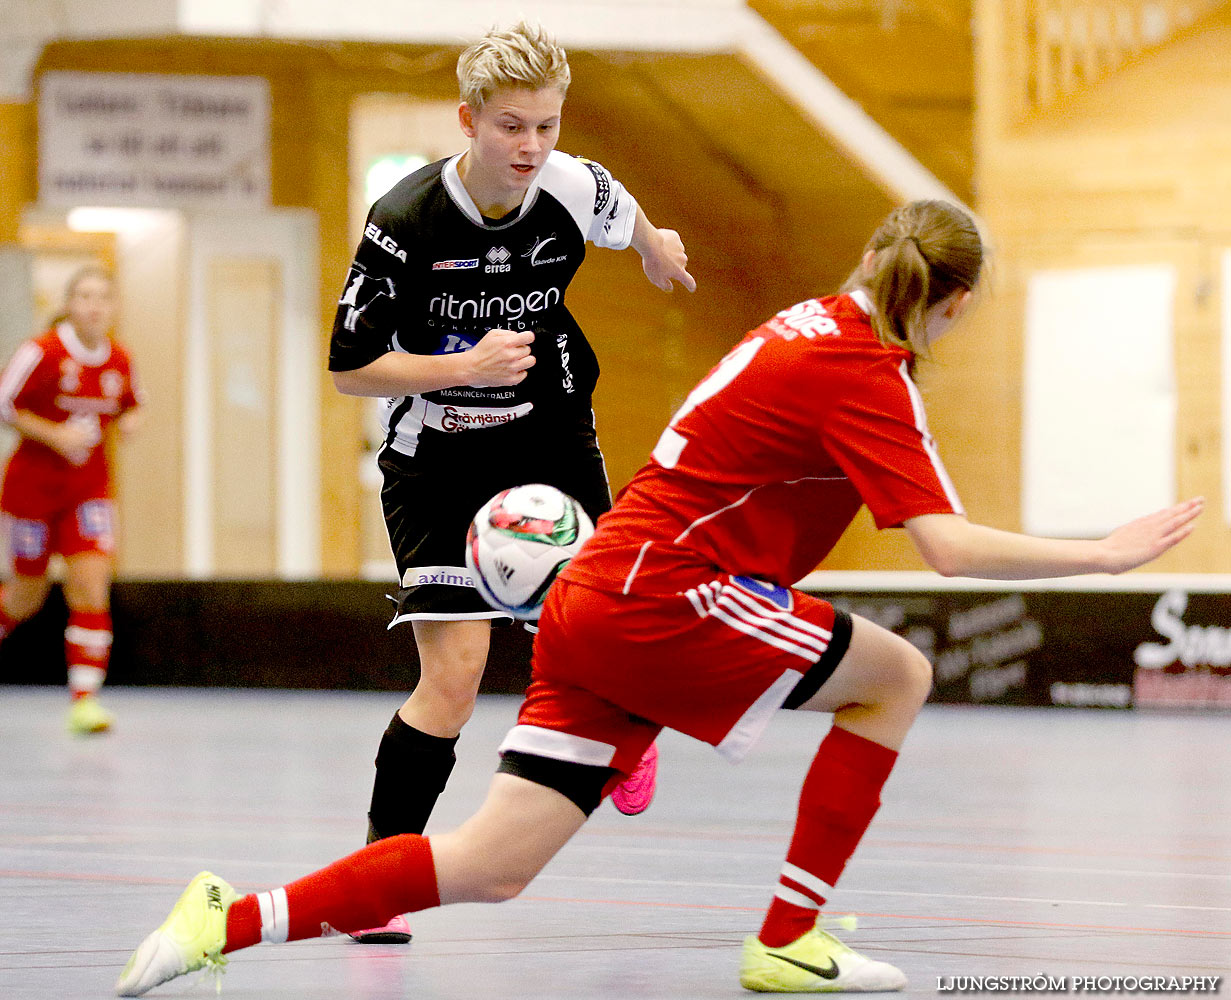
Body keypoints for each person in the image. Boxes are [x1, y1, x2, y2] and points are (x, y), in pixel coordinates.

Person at [115, 200, 1203, 997]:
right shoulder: (864, 368)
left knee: (492, 865)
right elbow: (948, 549)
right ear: (952, 302)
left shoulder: (803, 323)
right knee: (899, 675)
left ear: (868, 251)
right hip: (665, 594)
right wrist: (1104, 555)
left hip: (596, 592)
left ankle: (229, 918)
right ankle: (787, 938)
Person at [327, 21, 693, 943]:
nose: (531, 147)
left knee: (605, 626)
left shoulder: (571, 186)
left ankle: (626, 737)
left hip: (549, 431)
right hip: (437, 453)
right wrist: (463, 367)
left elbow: (630, 219)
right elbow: (348, 368)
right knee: (454, 679)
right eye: (510, 127)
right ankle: (378, 877)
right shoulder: (404, 221)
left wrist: (659, 253)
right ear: (468, 120)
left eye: (547, 126)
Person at [0, 266, 141, 735]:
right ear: (69, 303)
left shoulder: (119, 359)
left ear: (114, 306)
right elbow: (4, 403)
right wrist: (53, 434)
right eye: (84, 296)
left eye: (103, 296)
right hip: (31, 490)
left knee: (91, 585)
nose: (94, 305)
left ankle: (85, 702)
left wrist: (130, 422)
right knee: (26, 596)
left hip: (87, 489)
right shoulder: (42, 352)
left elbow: (130, 403)